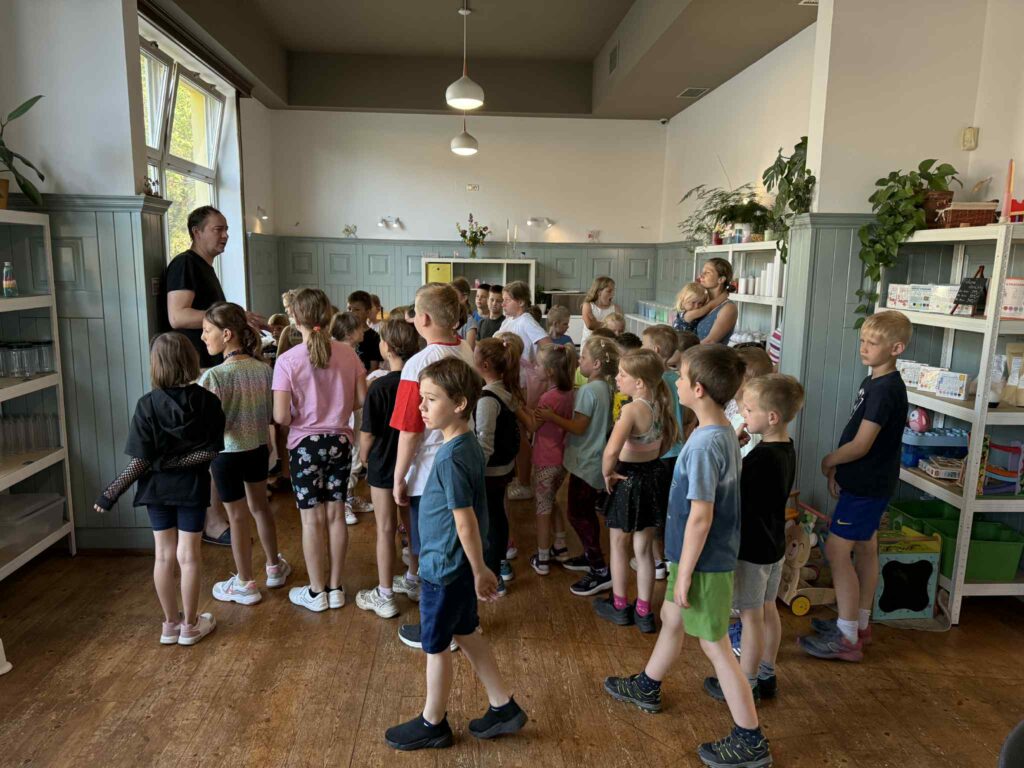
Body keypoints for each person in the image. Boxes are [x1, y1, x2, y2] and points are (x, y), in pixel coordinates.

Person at [603, 344, 772, 768]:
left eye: (680, 377)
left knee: (715, 645)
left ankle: (750, 739)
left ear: (698, 389)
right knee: (673, 618)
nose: (674, 382)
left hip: (703, 561)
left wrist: (682, 575)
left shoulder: (703, 446)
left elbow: (700, 516)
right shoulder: (719, 431)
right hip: (697, 557)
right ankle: (648, 684)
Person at [383, 358, 528, 751]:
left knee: (435, 646)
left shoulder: (451, 457)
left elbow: (464, 520)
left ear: (460, 403)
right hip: (455, 566)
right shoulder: (465, 443)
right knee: (465, 633)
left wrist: (481, 569)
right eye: (422, 398)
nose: (421, 406)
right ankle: (502, 705)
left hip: (444, 568)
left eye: (431, 399)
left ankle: (432, 722)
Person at [93, 333, 225, 646]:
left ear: (156, 365)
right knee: (189, 556)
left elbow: (141, 461)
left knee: (163, 556)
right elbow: (211, 452)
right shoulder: (208, 402)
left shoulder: (147, 405)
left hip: (156, 490)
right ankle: (190, 626)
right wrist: (176, 463)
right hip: (192, 488)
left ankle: (170, 625)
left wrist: (111, 492)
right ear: (191, 360)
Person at [802, 310, 910, 661]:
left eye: (873, 343)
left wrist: (829, 461)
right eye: (862, 340)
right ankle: (859, 624)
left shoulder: (885, 390)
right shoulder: (874, 382)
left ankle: (847, 636)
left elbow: (861, 445)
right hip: (866, 481)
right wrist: (840, 471)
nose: (864, 348)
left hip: (867, 485)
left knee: (836, 551)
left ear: (896, 348)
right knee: (865, 548)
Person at [705, 374, 802, 705]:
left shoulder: (762, 458)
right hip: (773, 544)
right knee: (766, 609)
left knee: (750, 616)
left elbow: (729, 484)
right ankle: (766, 673)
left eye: (748, 410)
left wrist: (731, 444)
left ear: (771, 417)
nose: (743, 415)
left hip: (752, 548)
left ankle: (745, 683)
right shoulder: (785, 448)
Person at [391, 284, 476, 649]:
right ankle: (458, 621)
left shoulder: (417, 364)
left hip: (428, 470)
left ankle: (439, 629)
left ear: (423, 318)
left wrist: (398, 476)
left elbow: (410, 428)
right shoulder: (466, 349)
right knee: (454, 548)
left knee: (432, 553)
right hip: (462, 454)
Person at [273, 289, 366, 612]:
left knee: (311, 521)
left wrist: (303, 415)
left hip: (304, 446)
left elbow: (281, 416)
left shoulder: (287, 360)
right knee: (336, 515)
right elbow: (360, 400)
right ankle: (336, 588)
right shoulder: (348, 354)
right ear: (329, 317)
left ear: (295, 319)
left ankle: (316, 592)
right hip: (340, 441)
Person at [200, 303, 290, 605]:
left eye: (207, 331)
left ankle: (245, 582)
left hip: (226, 455)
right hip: (258, 449)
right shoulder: (264, 370)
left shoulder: (213, 376)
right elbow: (271, 415)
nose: (203, 337)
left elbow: (208, 426)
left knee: (236, 518)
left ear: (226, 334)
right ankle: (274, 567)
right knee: (261, 508)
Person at [158, 205, 233, 546]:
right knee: (207, 446)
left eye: (226, 229)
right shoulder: (185, 264)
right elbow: (177, 316)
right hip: (196, 370)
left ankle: (215, 518)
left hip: (207, 367)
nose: (225, 235)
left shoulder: (204, 268)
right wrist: (230, 318)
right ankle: (211, 523)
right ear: (196, 232)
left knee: (214, 444)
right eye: (218, 229)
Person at [597, 349, 678, 634]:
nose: (617, 378)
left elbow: (611, 451)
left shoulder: (631, 410)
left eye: (622, 375)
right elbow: (667, 441)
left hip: (627, 479)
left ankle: (620, 605)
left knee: (619, 545)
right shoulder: (661, 404)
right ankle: (644, 611)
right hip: (652, 477)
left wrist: (607, 472)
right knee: (643, 551)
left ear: (640, 382)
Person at [537, 335, 619, 597]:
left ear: (596, 364)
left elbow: (579, 427)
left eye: (583, 358)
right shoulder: (605, 387)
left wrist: (551, 416)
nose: (579, 361)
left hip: (586, 462)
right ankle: (589, 554)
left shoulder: (588, 391)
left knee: (578, 514)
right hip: (592, 460)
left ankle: (599, 569)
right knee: (584, 512)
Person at [357, 318, 423, 619]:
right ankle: (413, 578)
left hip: (384, 464)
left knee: (385, 529)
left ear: (387, 347)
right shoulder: (421, 382)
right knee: (413, 526)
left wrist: (363, 456)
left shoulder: (380, 386)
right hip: (414, 464)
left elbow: (368, 433)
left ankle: (384, 594)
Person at [473, 337, 524, 596]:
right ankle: (500, 562)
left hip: (489, 471)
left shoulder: (487, 398)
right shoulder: (505, 389)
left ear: (483, 364)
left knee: (490, 520)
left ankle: (493, 574)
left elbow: (484, 442)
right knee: (497, 516)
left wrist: (474, 473)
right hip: (504, 467)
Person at [640, 324, 688, 581]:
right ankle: (670, 558)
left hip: (658, 453)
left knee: (655, 509)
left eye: (644, 345)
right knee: (672, 507)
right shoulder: (678, 379)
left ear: (655, 350)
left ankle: (658, 561)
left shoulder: (653, 383)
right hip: (677, 453)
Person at [499, 281, 552, 500]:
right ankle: (518, 476)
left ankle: (524, 482)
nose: (503, 304)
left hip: (520, 383)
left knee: (521, 432)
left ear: (520, 302)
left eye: (507, 300)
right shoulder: (510, 320)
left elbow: (547, 344)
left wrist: (534, 365)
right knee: (514, 431)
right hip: (510, 380)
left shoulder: (526, 321)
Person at [529, 344, 575, 575]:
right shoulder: (572, 393)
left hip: (546, 459)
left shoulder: (547, 398)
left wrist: (518, 407)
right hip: (563, 458)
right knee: (552, 500)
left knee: (542, 507)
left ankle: (543, 557)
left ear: (549, 372)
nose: (534, 367)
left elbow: (532, 425)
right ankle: (561, 545)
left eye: (538, 365)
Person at [728, 346, 773, 458]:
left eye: (731, 376)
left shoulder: (750, 425)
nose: (724, 380)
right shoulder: (733, 405)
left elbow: (745, 460)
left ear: (749, 385)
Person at [680, 258, 737, 345]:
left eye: (707, 272)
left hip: (705, 354)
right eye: (702, 272)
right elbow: (684, 319)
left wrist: (684, 351)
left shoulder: (729, 308)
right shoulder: (700, 301)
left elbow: (710, 341)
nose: (701, 275)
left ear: (721, 279)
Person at [347, 291, 384, 373]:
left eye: (356, 310)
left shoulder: (374, 337)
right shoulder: (343, 333)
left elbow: (373, 368)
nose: (351, 312)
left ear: (367, 312)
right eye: (349, 309)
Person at [581, 276, 619, 345]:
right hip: (590, 344)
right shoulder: (588, 306)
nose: (613, 294)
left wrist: (597, 323)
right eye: (609, 291)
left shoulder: (615, 308)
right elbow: (590, 325)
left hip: (609, 344)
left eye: (613, 291)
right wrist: (610, 325)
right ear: (599, 292)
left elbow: (619, 326)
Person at [452, 277, 479, 349]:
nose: (450, 298)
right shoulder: (450, 319)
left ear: (464, 298)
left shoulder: (470, 322)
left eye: (454, 294)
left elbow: (470, 350)